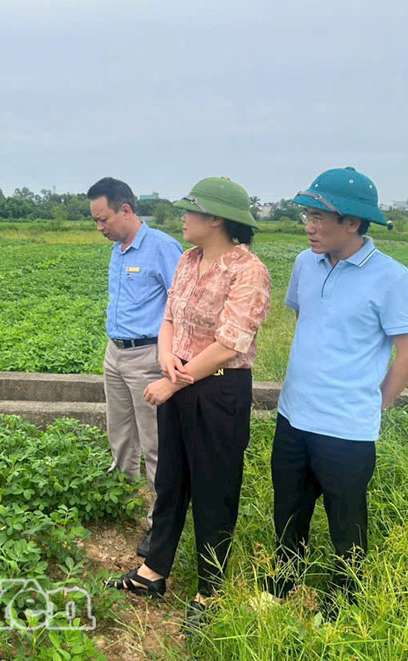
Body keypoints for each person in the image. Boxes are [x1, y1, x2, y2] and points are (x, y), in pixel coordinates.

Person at [106, 177, 271, 628]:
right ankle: (153, 570)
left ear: (216, 218)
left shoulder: (248, 270)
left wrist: (173, 383)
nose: (183, 218)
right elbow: (169, 317)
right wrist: (165, 356)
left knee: (214, 490)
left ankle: (210, 591)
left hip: (218, 389)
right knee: (171, 481)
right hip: (177, 377)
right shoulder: (188, 260)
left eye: (190, 210)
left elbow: (231, 343)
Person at [268, 167, 408, 615]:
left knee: (346, 522)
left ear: (353, 222)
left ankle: (342, 604)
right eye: (307, 216)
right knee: (289, 512)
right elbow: (307, 320)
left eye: (320, 217)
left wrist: (374, 405)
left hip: (347, 428)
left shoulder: (393, 278)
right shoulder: (305, 264)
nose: (310, 227)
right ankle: (281, 589)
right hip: (294, 415)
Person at [87, 177, 184, 558]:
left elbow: (182, 305)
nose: (100, 227)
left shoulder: (162, 248)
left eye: (104, 219)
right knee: (120, 434)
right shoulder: (118, 249)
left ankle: (160, 521)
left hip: (148, 356)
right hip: (115, 352)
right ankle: (123, 500)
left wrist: (171, 357)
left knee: (155, 442)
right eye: (96, 220)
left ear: (126, 210)